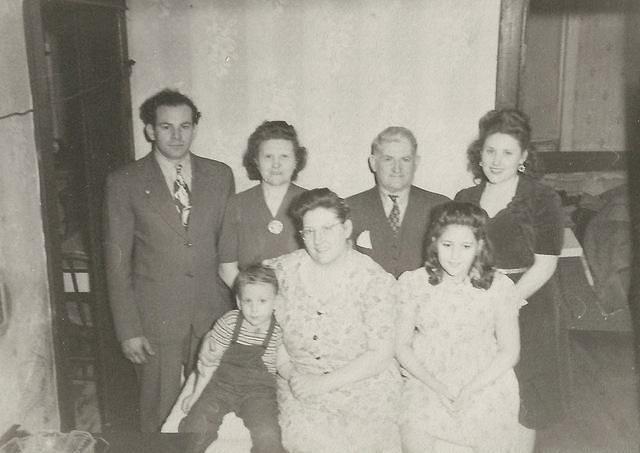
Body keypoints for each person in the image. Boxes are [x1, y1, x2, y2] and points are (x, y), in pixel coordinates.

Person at [104, 89, 235, 432]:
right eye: (166, 127)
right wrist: (128, 330)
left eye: (185, 126)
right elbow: (116, 264)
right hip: (155, 321)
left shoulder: (220, 176)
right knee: (159, 415)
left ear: (194, 128)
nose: (177, 135)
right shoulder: (124, 182)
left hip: (212, 315)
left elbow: (229, 249)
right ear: (149, 130)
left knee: (212, 409)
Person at [455, 108, 564, 450]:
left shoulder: (543, 198)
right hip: (475, 307)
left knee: (523, 400)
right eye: (490, 151)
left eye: (507, 153)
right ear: (480, 153)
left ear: (523, 157)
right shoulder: (465, 199)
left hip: (529, 307)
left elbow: (545, 265)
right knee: (480, 393)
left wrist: (505, 305)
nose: (496, 161)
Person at [266, 188, 401, 453]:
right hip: (300, 386)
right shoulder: (279, 272)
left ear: (347, 228)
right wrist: (293, 375)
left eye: (327, 229)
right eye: (309, 231)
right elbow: (269, 334)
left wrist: (323, 384)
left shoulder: (373, 279)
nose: (318, 241)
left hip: (363, 387)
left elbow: (381, 354)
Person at [396, 201, 523, 452]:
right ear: (434, 242)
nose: (455, 256)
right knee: (416, 433)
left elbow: (510, 351)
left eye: (466, 246)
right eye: (447, 245)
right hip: (427, 377)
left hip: (484, 378)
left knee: (488, 431)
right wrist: (436, 386)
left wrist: (469, 389)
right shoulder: (414, 283)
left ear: (480, 246)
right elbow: (401, 345)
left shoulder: (499, 287)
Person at [176, 264, 286, 453]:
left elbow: (278, 365)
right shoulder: (229, 323)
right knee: (197, 425)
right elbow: (207, 363)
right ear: (238, 302)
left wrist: (291, 382)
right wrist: (195, 395)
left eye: (262, 301)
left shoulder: (277, 330)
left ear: (275, 301)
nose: (254, 309)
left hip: (257, 392)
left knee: (267, 433)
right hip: (222, 386)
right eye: (248, 301)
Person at [347, 126, 449, 278]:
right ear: (373, 163)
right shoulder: (349, 208)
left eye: (405, 159)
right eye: (388, 159)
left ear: (416, 163)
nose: (397, 168)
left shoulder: (441, 207)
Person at [218, 120, 307, 287]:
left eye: (284, 156)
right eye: (268, 156)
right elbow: (226, 268)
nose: (276, 164)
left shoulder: (312, 203)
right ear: (256, 161)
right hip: (253, 307)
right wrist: (253, 301)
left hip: (301, 305)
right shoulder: (236, 204)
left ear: (296, 160)